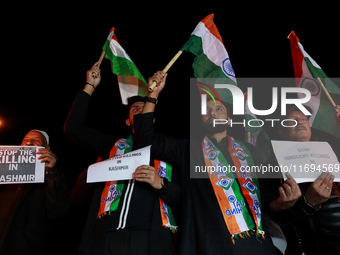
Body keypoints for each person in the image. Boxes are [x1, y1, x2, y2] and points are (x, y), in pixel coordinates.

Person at [135, 72, 277, 255]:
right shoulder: (186, 149)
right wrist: (152, 95)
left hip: (255, 244)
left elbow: (264, 195)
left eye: (218, 109)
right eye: (207, 111)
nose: (212, 113)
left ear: (229, 119)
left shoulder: (249, 151)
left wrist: (281, 202)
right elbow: (146, 140)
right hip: (208, 243)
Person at [63, 63, 180, 255]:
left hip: (149, 239)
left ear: (153, 118)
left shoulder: (168, 150)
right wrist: (89, 86)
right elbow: (72, 128)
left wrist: (161, 184)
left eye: (146, 109)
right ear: (127, 121)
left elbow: (182, 197)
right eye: (135, 110)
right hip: (106, 236)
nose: (142, 112)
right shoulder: (112, 146)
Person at [261, 105, 340, 254]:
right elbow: (271, 218)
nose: (301, 122)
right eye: (292, 120)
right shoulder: (270, 167)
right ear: (280, 130)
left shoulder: (333, 152)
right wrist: (307, 202)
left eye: (304, 119)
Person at [0, 129, 69, 255]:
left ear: (46, 148)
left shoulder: (52, 178)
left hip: (26, 248)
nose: (30, 143)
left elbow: (58, 212)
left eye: (36, 141)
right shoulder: (4, 173)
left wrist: (51, 173)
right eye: (25, 140)